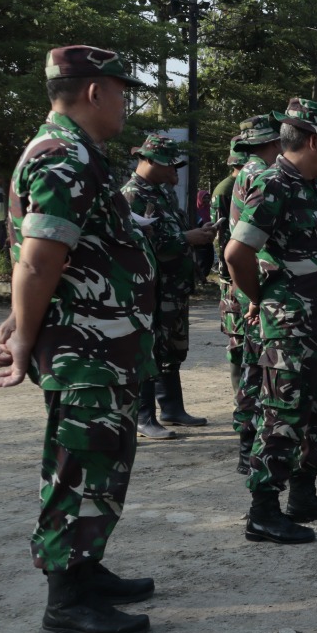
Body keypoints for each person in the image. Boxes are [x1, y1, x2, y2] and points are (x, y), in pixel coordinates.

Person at [0, 45, 157, 633]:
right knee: (78, 465)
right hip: (84, 348)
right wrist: (24, 336)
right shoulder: (63, 156)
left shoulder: (79, 153)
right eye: (121, 91)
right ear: (94, 92)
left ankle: (86, 569)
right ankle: (65, 601)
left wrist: (20, 322)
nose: (125, 103)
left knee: (102, 461)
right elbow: (38, 262)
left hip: (101, 345)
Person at [223, 97, 317, 541]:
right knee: (282, 415)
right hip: (292, 328)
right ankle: (262, 510)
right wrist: (261, 298)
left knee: (315, 413)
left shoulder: (309, 187)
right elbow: (236, 253)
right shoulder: (273, 184)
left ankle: (303, 495)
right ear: (314, 141)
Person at [121, 134, 215, 439]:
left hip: (174, 285)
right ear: (146, 160)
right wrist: (187, 239)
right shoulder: (132, 194)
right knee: (149, 348)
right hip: (151, 287)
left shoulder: (162, 193)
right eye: (166, 164)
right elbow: (139, 243)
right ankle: (143, 416)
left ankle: (172, 407)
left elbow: (170, 231)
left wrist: (196, 234)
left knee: (171, 348)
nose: (172, 170)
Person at [215, 115, 282, 474]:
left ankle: (248, 442)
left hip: (247, 283)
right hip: (254, 285)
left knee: (252, 365)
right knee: (256, 369)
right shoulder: (261, 175)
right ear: (274, 144)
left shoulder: (245, 172)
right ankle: (249, 446)